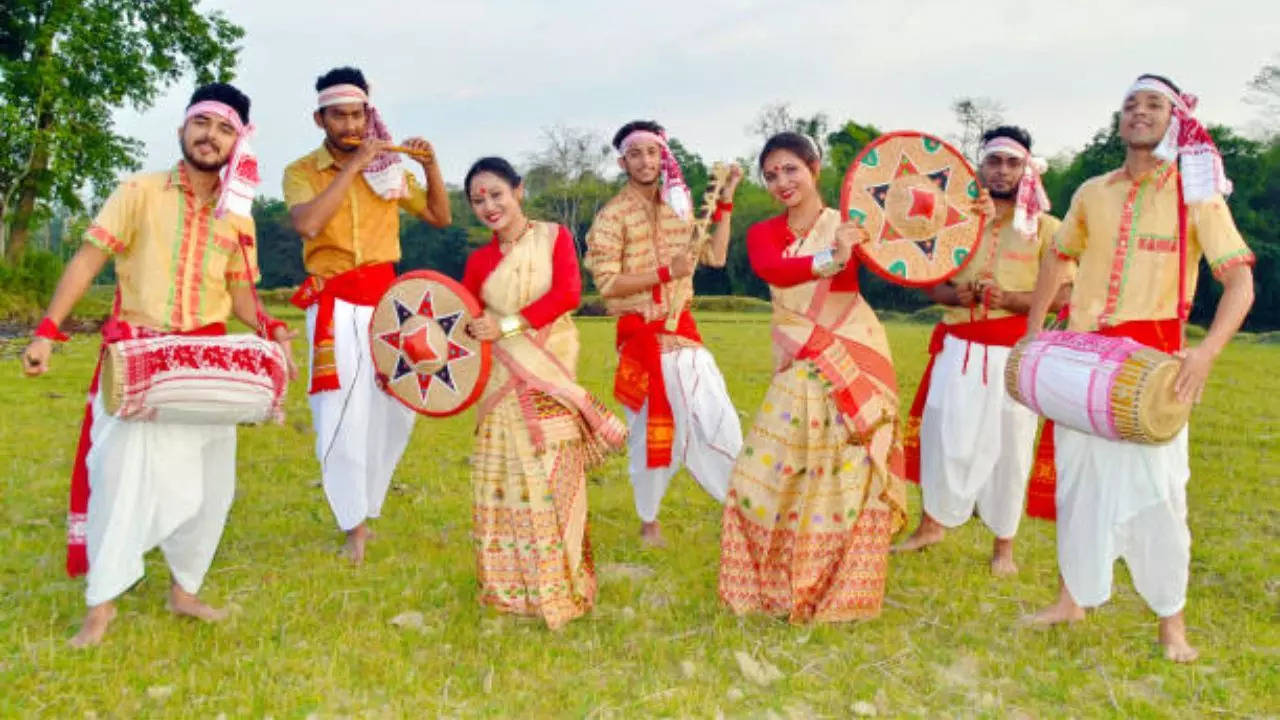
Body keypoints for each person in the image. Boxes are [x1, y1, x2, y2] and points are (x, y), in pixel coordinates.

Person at [22, 83, 296, 647]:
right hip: (140, 358)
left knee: (207, 486)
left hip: (208, 365)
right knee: (120, 481)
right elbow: (88, 258)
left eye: (224, 129)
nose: (209, 136)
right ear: (182, 129)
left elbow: (241, 295)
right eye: (202, 123)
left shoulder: (238, 216)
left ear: (238, 142)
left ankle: (184, 590)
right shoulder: (139, 192)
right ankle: (101, 606)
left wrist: (274, 332)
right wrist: (47, 332)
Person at [1022, 74, 1255, 662]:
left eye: (1154, 104)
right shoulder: (1090, 192)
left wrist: (1204, 354)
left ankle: (1170, 626)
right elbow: (1058, 255)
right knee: (1079, 483)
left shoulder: (1196, 193)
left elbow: (1240, 282)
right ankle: (1072, 598)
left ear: (1176, 120)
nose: (1139, 112)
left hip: (1155, 366)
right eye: (1130, 104)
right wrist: (1031, 337)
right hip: (1080, 358)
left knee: (1161, 493)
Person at [717, 132, 908, 622]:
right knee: (762, 476)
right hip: (801, 358)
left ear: (814, 168)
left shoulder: (850, 225)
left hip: (854, 352)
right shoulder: (763, 233)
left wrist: (969, 223)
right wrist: (833, 257)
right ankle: (773, 583)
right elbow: (775, 271)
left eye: (791, 169)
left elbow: (912, 252)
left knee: (847, 474)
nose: (782, 181)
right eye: (772, 174)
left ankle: (843, 590)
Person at [283, 66, 451, 563]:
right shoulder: (301, 171)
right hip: (333, 304)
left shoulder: (390, 170)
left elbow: (440, 217)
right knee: (340, 414)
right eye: (340, 115)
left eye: (358, 113)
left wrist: (431, 167)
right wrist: (355, 165)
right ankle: (352, 523)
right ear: (320, 119)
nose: (352, 124)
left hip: (388, 303)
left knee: (397, 410)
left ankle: (368, 506)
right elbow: (309, 224)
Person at [461, 157, 627, 628]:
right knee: (504, 478)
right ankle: (510, 588)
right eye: (478, 200)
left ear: (518, 191)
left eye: (497, 194)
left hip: (548, 367)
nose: (490, 206)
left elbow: (567, 295)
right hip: (500, 382)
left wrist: (506, 324)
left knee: (552, 477)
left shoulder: (553, 238)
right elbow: (466, 317)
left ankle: (562, 582)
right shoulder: (478, 261)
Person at [896, 126, 1070, 574]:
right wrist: (957, 296)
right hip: (958, 349)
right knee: (944, 437)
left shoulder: (1049, 228)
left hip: (1014, 354)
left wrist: (1009, 300)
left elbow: (1067, 294)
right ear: (979, 167)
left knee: (1011, 446)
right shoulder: (954, 220)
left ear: (1028, 169)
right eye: (994, 161)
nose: (1003, 171)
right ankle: (930, 526)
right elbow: (927, 279)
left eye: (1014, 163)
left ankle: (1003, 548)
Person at [584, 119, 744, 547]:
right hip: (640, 337)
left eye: (652, 152)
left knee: (717, 416)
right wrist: (662, 273)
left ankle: (743, 505)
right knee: (648, 435)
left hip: (683, 331)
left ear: (662, 157)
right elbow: (607, 284)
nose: (645, 160)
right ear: (622, 161)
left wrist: (725, 205)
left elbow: (715, 255)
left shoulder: (679, 206)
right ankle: (649, 520)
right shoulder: (611, 217)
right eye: (635, 153)